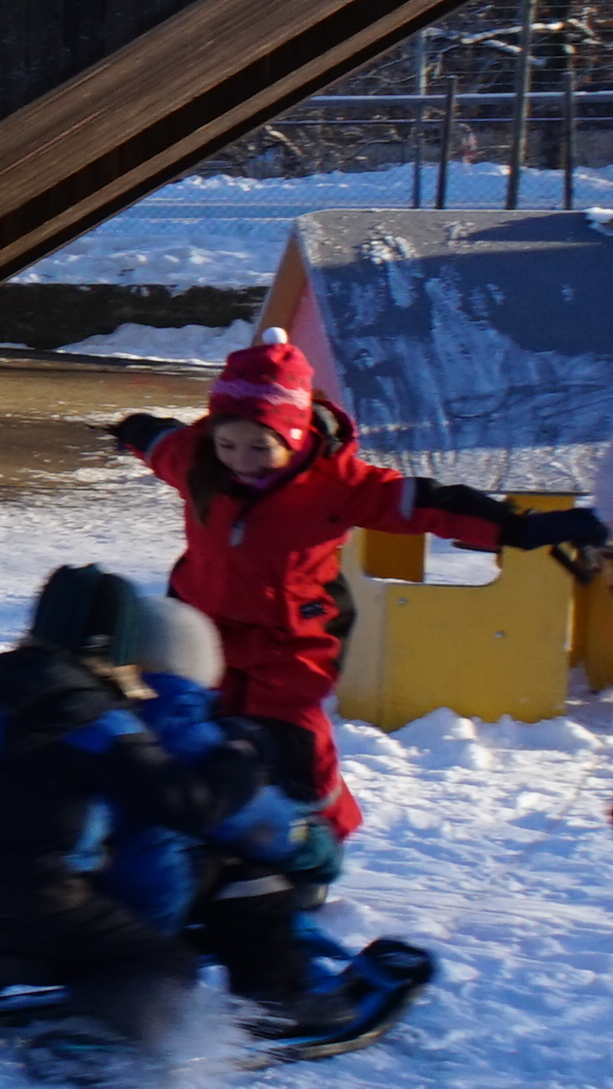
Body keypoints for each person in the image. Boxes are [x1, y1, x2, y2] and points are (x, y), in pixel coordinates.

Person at [0, 569, 428, 1088]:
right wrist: (240, 757)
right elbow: (185, 803)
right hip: (42, 897)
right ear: (110, 651)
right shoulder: (88, 717)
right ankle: (106, 1032)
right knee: (153, 957)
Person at [109, 330, 603, 839]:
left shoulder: (337, 485)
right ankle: (209, 846)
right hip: (203, 633)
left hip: (290, 643)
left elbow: (428, 503)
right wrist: (135, 429)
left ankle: (320, 842)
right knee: (193, 738)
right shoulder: (197, 461)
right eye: (228, 444)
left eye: (260, 447)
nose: (241, 461)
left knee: (291, 747)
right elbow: (162, 442)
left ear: (295, 437)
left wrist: (519, 528)